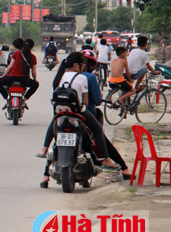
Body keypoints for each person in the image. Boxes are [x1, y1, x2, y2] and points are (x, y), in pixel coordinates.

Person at [37, 52, 120, 183]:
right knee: (98, 130)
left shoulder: (61, 76)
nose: (83, 67)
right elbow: (85, 102)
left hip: (60, 112)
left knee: (55, 127)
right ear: (76, 65)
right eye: (82, 65)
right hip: (78, 112)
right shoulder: (82, 78)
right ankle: (105, 158)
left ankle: (44, 149)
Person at [81, 49, 133, 180]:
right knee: (102, 138)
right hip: (86, 114)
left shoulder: (66, 76)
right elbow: (97, 100)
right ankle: (121, 167)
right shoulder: (89, 77)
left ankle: (46, 173)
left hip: (65, 113)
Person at [0, 37, 39, 109]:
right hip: (24, 80)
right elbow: (34, 72)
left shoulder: (17, 53)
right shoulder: (33, 57)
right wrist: (35, 79)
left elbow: (9, 67)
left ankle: (7, 100)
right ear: (32, 47)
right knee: (36, 85)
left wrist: (3, 76)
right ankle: (24, 100)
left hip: (12, 77)